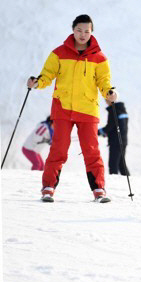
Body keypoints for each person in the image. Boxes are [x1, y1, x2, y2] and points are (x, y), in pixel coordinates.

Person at [27, 14, 117, 203]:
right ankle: (48, 187)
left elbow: (103, 82)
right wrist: (37, 83)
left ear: (91, 32)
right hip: (63, 108)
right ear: (73, 30)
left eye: (87, 31)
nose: (83, 34)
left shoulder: (99, 58)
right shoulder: (58, 53)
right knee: (58, 149)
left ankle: (99, 189)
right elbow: (47, 75)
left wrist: (109, 92)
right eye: (79, 30)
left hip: (87, 109)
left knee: (91, 150)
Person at [98, 100, 129, 176]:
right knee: (121, 164)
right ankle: (129, 181)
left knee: (113, 164)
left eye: (106, 99)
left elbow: (110, 126)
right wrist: (107, 133)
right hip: (123, 140)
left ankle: (114, 183)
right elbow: (118, 127)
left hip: (115, 142)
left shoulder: (113, 110)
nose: (105, 101)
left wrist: (99, 131)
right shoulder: (122, 110)